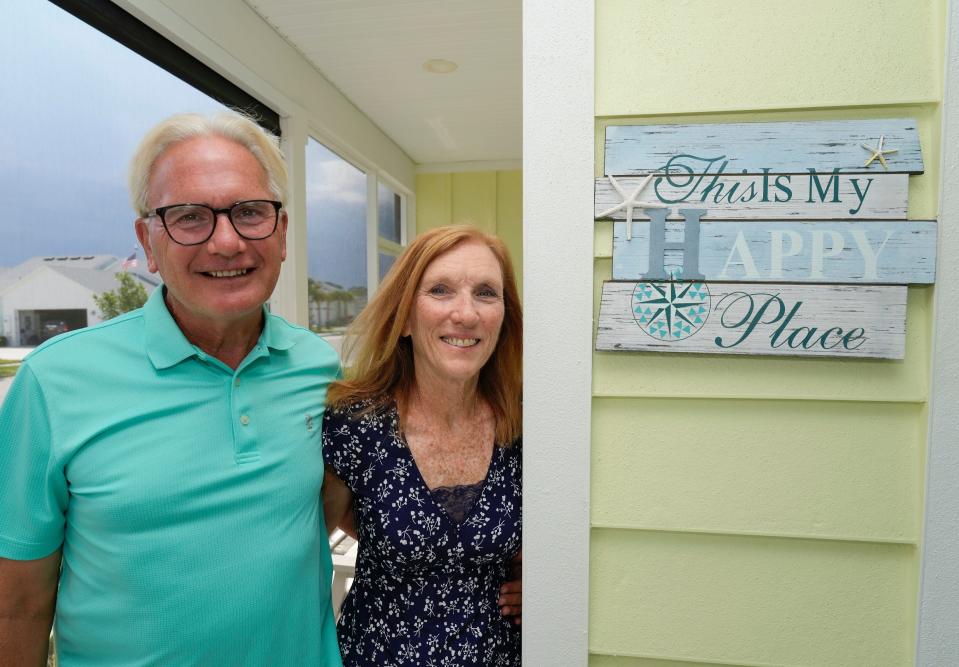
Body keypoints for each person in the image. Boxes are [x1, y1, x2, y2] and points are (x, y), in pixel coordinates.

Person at [0, 112, 342, 666]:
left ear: (281, 233)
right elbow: (15, 604)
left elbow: (365, 505)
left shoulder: (318, 370)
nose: (227, 242)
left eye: (250, 212)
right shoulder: (54, 382)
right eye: (189, 217)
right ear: (147, 241)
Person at [322, 225, 523, 666]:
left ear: (504, 316)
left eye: (486, 293)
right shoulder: (356, 425)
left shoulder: (526, 425)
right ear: (406, 318)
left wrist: (540, 579)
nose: (466, 314)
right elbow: (302, 547)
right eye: (440, 290)